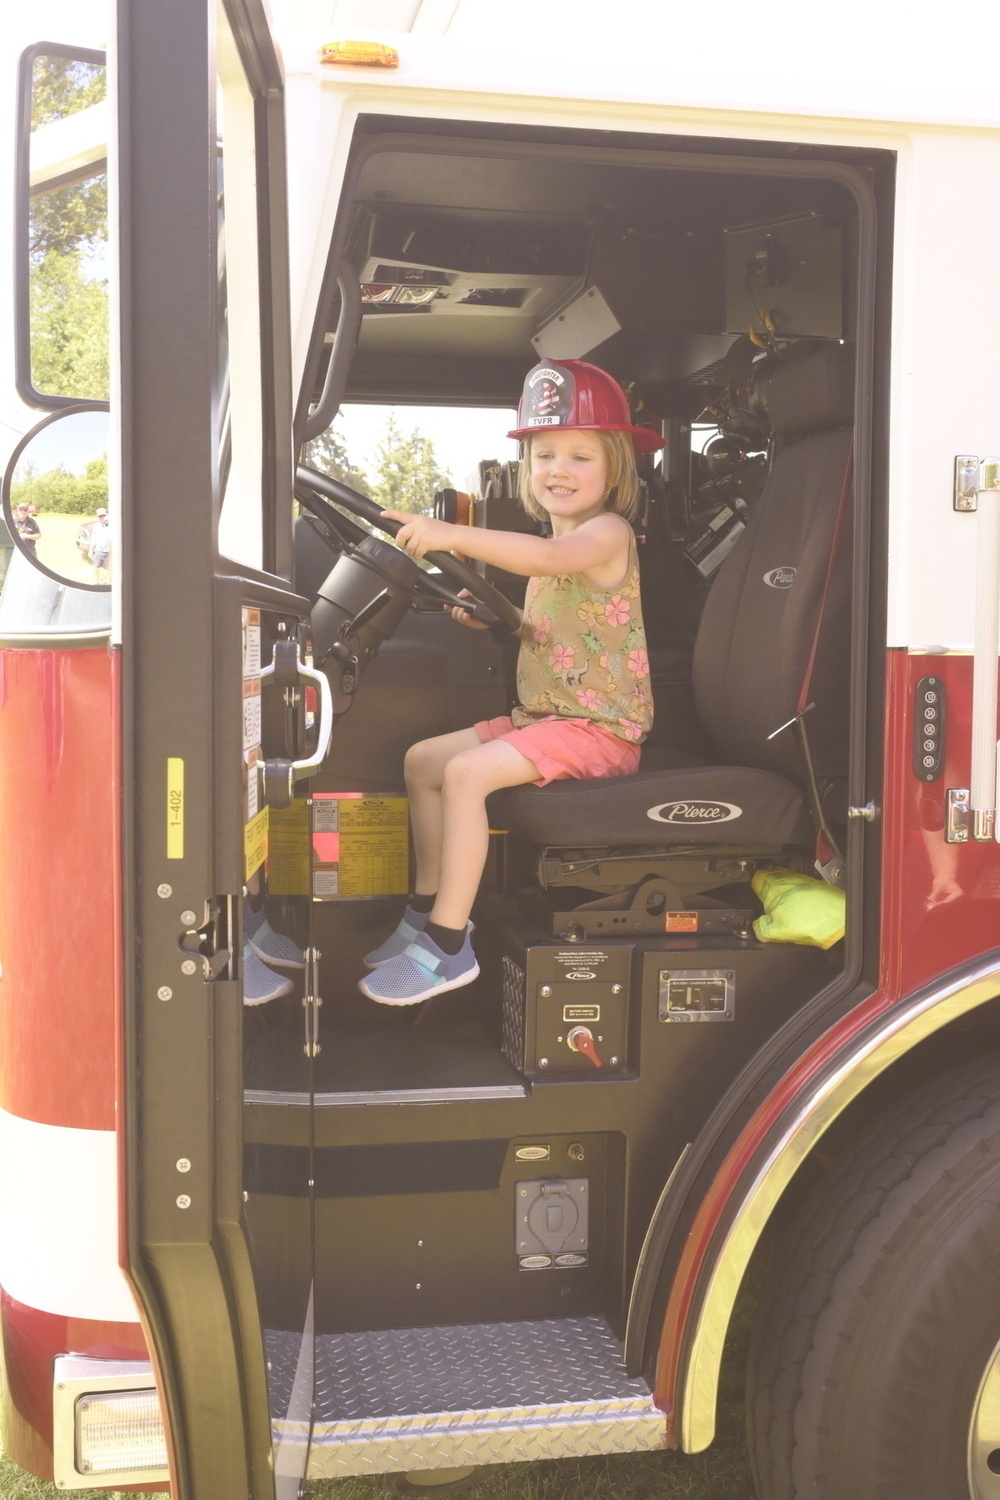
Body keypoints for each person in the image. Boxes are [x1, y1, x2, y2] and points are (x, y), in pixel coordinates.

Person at [359, 359, 662, 1005]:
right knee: (425, 761)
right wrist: (506, 619)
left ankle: (447, 946)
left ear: (616, 469)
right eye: (544, 453)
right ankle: (421, 912)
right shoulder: (553, 544)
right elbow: (560, 625)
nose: (557, 468)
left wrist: (448, 533)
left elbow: (551, 559)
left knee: (468, 774)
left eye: (580, 456)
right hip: (549, 720)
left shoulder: (605, 534)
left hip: (599, 728)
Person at [87, 507, 111, 579]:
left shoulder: (111, 525)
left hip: (108, 552)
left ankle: (109, 583)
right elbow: (93, 538)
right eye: (100, 516)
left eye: (103, 515)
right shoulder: (96, 526)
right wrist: (91, 550)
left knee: (109, 569)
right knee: (95, 568)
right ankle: (96, 583)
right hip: (98, 551)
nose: (102, 517)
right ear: (97, 517)